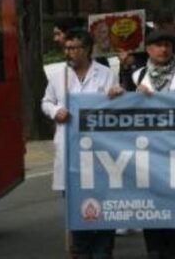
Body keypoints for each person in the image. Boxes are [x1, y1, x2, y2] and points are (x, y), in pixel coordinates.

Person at [108, 28, 175, 259]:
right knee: (153, 208)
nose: (163, 49)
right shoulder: (136, 76)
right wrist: (120, 94)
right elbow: (122, 112)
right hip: (149, 156)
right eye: (158, 45)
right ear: (148, 49)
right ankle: (156, 250)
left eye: (167, 45)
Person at [41, 28, 116, 258]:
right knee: (77, 212)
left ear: (87, 49)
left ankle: (103, 251)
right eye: (67, 48)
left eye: (74, 48)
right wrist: (55, 111)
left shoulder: (105, 74)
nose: (69, 52)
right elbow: (46, 101)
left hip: (99, 154)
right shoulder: (58, 75)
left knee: (103, 210)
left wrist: (116, 96)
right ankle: (81, 251)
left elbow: (114, 107)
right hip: (70, 152)